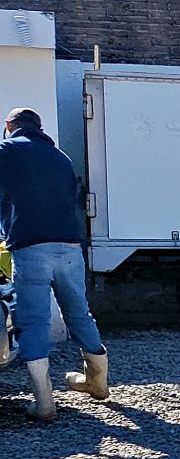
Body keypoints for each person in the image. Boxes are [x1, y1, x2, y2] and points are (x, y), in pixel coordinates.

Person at [0, 107, 108, 422]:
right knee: (78, 313)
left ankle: (45, 403)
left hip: (31, 249)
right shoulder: (61, 157)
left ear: (10, 126)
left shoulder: (7, 150)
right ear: (40, 126)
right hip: (70, 247)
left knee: (33, 321)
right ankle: (98, 382)